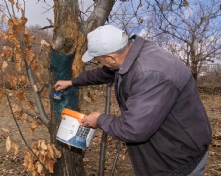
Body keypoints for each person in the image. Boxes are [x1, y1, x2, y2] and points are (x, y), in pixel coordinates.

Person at [54, 25, 212, 176]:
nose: (99, 63)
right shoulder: (132, 55)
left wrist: (100, 119)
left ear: (111, 57)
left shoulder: (150, 74)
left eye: (98, 59)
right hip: (166, 145)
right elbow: (105, 73)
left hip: (177, 158)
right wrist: (72, 82)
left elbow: (133, 129)